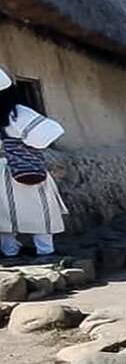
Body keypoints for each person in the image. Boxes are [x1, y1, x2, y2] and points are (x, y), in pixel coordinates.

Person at [0, 69, 67, 259]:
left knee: (4, 213)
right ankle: (45, 251)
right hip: (24, 166)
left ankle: (9, 251)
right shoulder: (18, 113)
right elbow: (45, 136)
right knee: (39, 209)